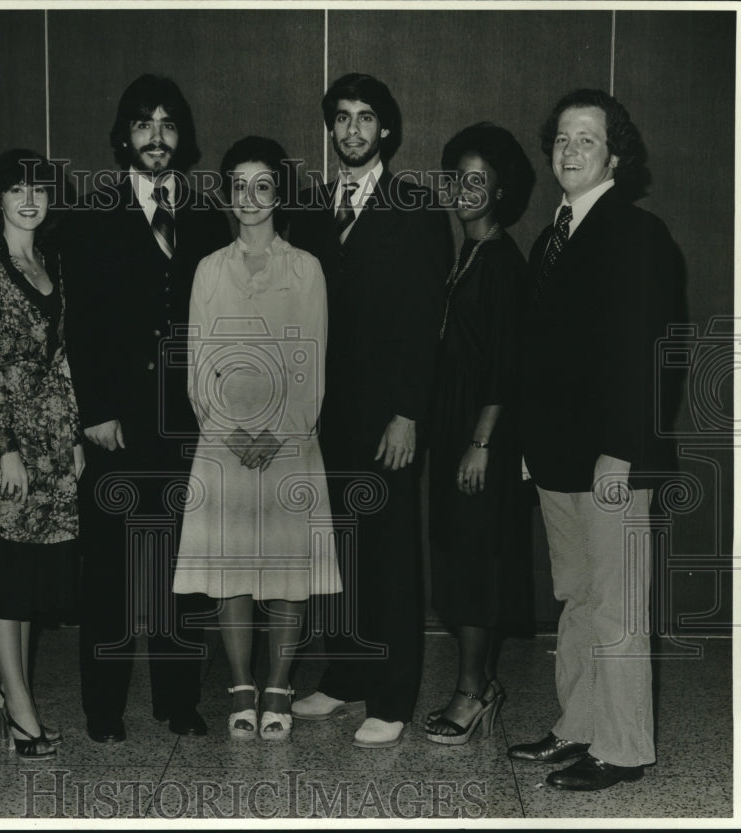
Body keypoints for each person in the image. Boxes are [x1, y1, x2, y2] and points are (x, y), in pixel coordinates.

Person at [508, 89, 682, 790]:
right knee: (577, 597)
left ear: (615, 154)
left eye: (587, 139)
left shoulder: (636, 233)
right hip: (556, 458)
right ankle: (579, 725)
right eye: (562, 139)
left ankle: (625, 745)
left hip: (613, 457)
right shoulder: (553, 235)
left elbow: (650, 351)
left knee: (616, 605)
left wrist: (625, 446)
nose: (571, 149)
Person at [62, 74, 232, 743]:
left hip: (191, 423)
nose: (156, 137)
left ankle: (178, 699)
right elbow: (81, 324)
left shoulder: (206, 215)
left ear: (182, 137)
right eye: (142, 124)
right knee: (110, 569)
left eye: (167, 125)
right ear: (123, 137)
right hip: (117, 424)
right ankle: (103, 707)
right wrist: (96, 408)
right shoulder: (92, 213)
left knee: (183, 569)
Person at [288, 73, 453, 748]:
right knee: (346, 551)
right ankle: (349, 672)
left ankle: (392, 695)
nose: (351, 130)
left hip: (389, 419)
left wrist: (408, 412)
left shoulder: (413, 207)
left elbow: (426, 322)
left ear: (386, 129)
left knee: (387, 555)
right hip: (328, 417)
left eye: (365, 119)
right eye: (341, 118)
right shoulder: (314, 207)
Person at [172, 137, 342, 741]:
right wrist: (230, 432)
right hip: (225, 444)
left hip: (289, 441)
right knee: (234, 568)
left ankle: (279, 686)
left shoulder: (307, 268)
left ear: (278, 193)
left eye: (261, 185)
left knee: (286, 571)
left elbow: (312, 360)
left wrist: (279, 431)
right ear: (227, 193)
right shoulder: (209, 269)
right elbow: (199, 362)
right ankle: (241, 684)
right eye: (238, 185)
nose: (249, 198)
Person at [0, 149, 85, 760]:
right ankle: (21, 712)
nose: (28, 199)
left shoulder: (50, 261)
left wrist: (72, 436)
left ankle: (15, 696)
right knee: (6, 579)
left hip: (52, 441)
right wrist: (4, 450)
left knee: (29, 579)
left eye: (38, 189)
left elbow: (61, 359)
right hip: (5, 441)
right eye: (15, 190)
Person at [423, 123, 535, 745]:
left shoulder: (501, 262)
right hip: (453, 429)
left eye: (476, 180)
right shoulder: (466, 252)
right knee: (455, 557)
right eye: (456, 177)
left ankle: (474, 692)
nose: (462, 190)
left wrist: (481, 442)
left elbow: (504, 365)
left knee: (474, 564)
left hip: (479, 436)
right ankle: (476, 684)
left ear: (498, 190)